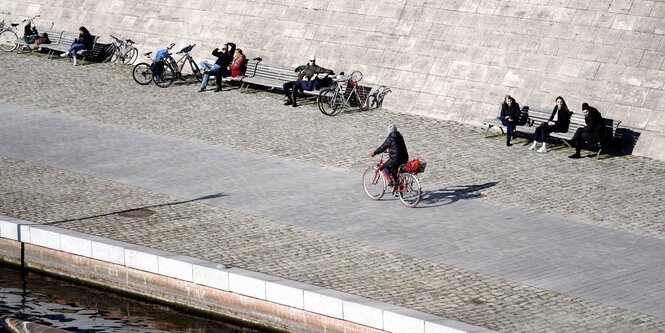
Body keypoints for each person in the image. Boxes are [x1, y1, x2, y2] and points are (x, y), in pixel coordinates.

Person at [370, 124, 409, 194]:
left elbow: (382, 147)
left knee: (384, 167)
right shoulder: (400, 136)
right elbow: (397, 147)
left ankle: (393, 181)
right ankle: (398, 185)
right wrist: (390, 150)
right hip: (404, 157)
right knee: (396, 170)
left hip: (396, 159)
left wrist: (375, 152)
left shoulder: (390, 138)